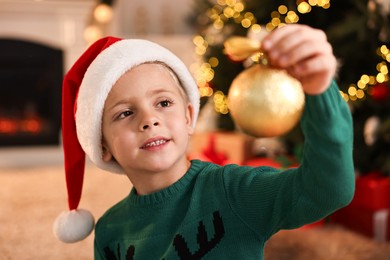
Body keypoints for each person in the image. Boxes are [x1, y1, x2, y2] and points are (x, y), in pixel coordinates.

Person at [53, 24, 355, 259]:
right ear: (102, 146)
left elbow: (328, 191)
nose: (149, 120)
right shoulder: (109, 230)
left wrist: (319, 88)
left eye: (163, 103)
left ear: (187, 117)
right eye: (126, 113)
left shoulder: (234, 191)